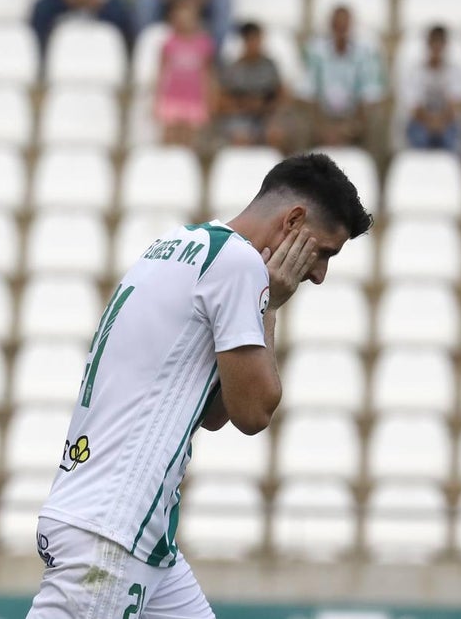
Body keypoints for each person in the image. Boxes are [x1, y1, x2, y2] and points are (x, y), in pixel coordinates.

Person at [26, 153, 372, 619]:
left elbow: (215, 412)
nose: (319, 274)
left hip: (131, 527)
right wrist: (270, 306)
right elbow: (254, 414)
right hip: (114, 530)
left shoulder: (176, 244)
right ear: (293, 220)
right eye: (325, 252)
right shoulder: (239, 266)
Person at [298, 6, 386, 147]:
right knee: (299, 120)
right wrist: (322, 127)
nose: (341, 31)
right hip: (323, 116)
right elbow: (307, 95)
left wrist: (349, 128)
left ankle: (374, 167)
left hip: (354, 117)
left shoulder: (365, 53)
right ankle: (300, 167)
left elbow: (370, 96)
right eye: (337, 26)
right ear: (331, 27)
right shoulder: (315, 52)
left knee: (378, 120)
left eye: (344, 26)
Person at [401, 25, 461, 154]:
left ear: (445, 45)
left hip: (448, 123)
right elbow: (413, 106)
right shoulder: (415, 71)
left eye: (440, 43)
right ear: (428, 44)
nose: (436, 47)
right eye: (433, 42)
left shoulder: (455, 71)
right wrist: (430, 123)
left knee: (452, 143)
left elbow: (457, 106)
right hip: (420, 122)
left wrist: (440, 122)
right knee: (419, 140)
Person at [217, 22, 289, 150]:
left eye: (257, 39)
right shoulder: (234, 69)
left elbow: (281, 95)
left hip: (266, 115)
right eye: (250, 40)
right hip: (240, 116)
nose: (254, 44)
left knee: (275, 133)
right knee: (240, 136)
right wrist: (244, 105)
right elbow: (222, 101)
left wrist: (265, 106)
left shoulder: (270, 66)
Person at [155, 0, 214, 146]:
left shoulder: (203, 44)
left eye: (188, 18)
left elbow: (206, 73)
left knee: (189, 138)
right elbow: (162, 72)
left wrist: (208, 98)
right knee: (169, 134)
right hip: (172, 95)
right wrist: (157, 97)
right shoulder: (169, 43)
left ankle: (186, 166)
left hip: (194, 97)